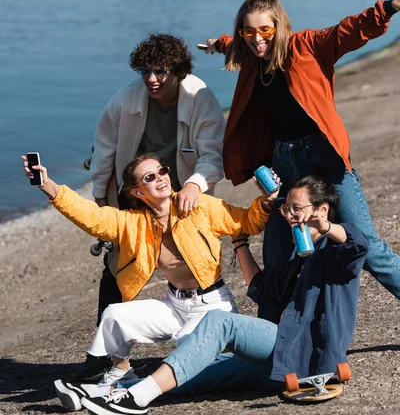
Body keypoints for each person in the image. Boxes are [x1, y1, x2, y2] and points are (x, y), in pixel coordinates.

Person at [60, 175, 369, 415]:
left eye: (296, 209)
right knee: (201, 366)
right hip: (283, 358)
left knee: (218, 322)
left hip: (308, 354)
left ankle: (135, 401)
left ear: (322, 209)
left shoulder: (337, 251)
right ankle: (106, 393)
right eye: (286, 210)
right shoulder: (296, 254)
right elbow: (262, 289)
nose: (289, 216)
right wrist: (238, 241)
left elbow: (358, 245)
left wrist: (325, 228)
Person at [201, 0, 400, 318]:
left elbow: (348, 31)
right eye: (248, 31)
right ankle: (274, 334)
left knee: (367, 247)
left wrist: (389, 8)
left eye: (265, 30)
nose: (257, 38)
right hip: (284, 163)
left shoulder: (307, 46)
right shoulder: (251, 55)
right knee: (279, 253)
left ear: (279, 26)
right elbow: (235, 45)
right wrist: (218, 43)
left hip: (326, 160)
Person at [22, 153, 275, 401]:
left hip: (212, 306)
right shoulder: (133, 223)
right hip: (174, 305)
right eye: (150, 177)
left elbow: (247, 223)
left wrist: (266, 201)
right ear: (137, 192)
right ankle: (120, 372)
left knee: (190, 360)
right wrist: (48, 185)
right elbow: (93, 217)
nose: (161, 178)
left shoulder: (201, 207)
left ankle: (121, 392)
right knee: (114, 314)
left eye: (162, 171)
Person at [84, 33, 226, 380]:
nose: (151, 79)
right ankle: (105, 361)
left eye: (160, 71)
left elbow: (213, 154)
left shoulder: (200, 97)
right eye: (143, 70)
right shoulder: (126, 99)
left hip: (184, 193)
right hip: (138, 191)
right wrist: (102, 196)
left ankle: (204, 337)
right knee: (118, 266)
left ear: (178, 70)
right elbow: (104, 150)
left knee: (191, 260)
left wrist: (195, 184)